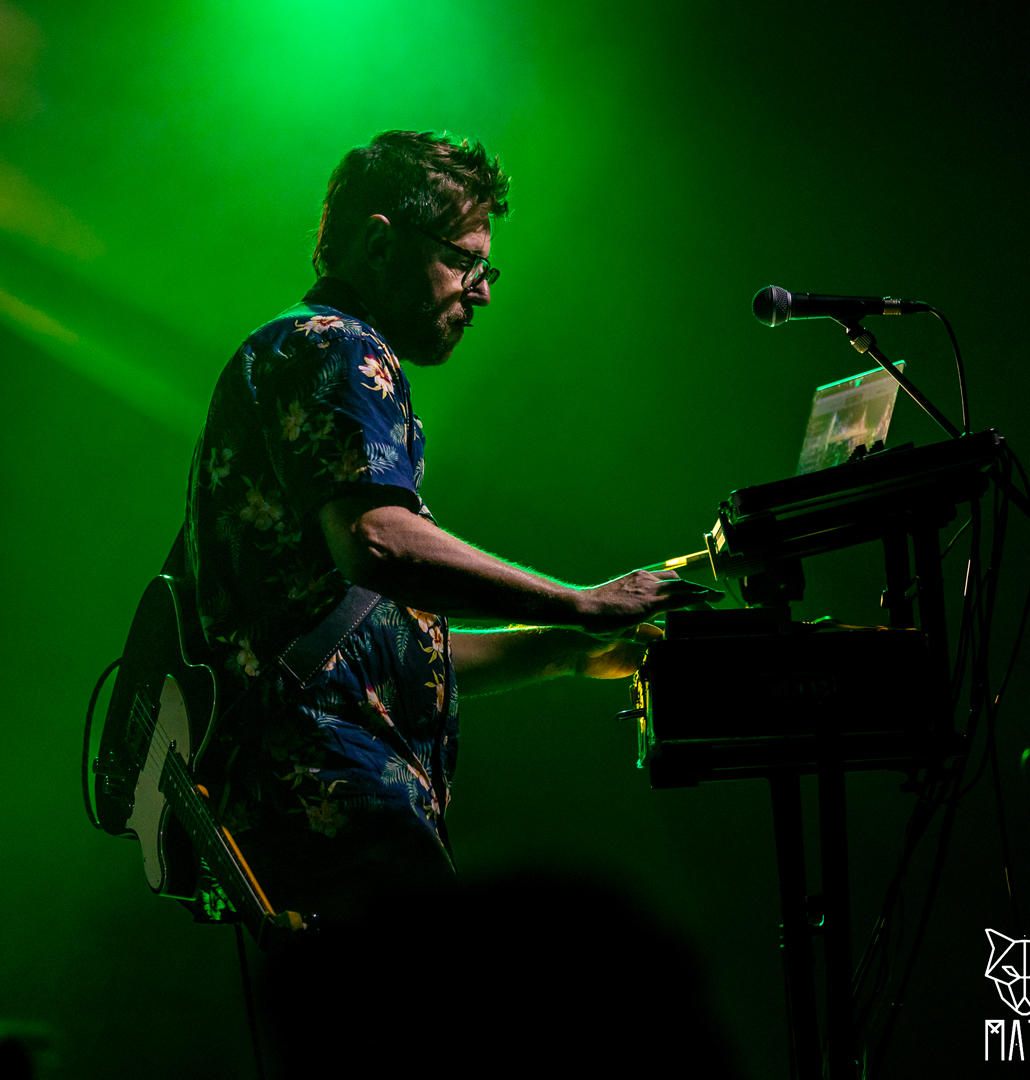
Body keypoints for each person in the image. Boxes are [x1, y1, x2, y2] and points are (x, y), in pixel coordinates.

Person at [184, 130, 709, 925]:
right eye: (466, 261)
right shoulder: (336, 349)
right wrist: (583, 603)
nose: (483, 290)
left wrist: (558, 649)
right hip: (329, 784)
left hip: (300, 790)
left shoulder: (306, 353)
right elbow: (380, 544)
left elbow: (381, 648)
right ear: (378, 243)